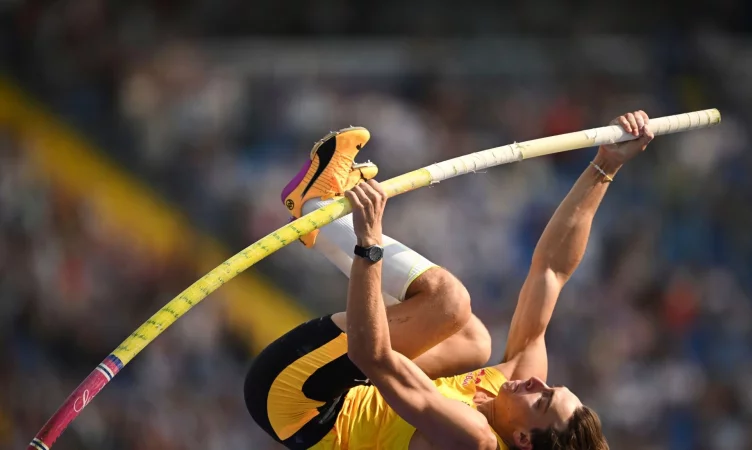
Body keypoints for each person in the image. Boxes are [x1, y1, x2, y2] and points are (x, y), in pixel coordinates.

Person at [245, 111, 655, 449]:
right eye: (552, 387)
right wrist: (605, 165)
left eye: (543, 400)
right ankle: (320, 217)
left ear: (524, 439)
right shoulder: (515, 387)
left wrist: (368, 243)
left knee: (449, 304)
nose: (538, 382)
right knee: (475, 339)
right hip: (344, 384)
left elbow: (372, 357)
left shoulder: (473, 438)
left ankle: (313, 204)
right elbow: (551, 270)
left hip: (296, 400)